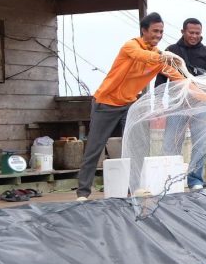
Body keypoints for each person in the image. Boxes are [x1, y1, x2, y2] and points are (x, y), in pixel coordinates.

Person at [75, 12, 185, 201]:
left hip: (129, 105)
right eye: (154, 31)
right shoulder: (131, 46)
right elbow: (142, 56)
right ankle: (83, 192)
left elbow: (178, 77)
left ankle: (133, 188)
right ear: (144, 30)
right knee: (95, 147)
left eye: (161, 32)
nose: (158, 35)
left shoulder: (159, 57)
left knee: (138, 143)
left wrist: (204, 92)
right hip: (106, 103)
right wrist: (165, 57)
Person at [154, 18, 206, 190]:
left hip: (201, 104)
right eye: (191, 32)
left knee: (200, 143)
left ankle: (195, 180)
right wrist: (159, 102)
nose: (194, 36)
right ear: (183, 31)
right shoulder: (171, 51)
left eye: (197, 33)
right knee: (171, 143)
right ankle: (171, 180)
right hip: (177, 103)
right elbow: (161, 79)